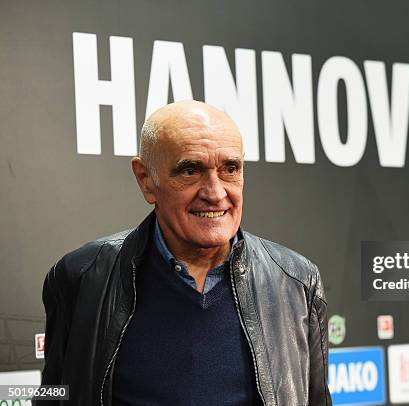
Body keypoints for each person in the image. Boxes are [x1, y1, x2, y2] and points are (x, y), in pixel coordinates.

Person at [39, 101, 332, 405]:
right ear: (145, 179)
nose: (216, 193)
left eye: (230, 169)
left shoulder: (296, 282)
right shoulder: (82, 278)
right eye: (190, 170)